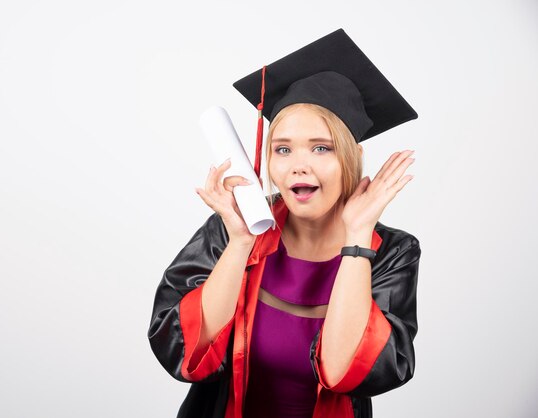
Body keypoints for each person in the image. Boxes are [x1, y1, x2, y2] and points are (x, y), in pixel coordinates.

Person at [148, 28, 421, 418]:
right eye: (283, 149)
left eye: (321, 147)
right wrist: (241, 243)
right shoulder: (230, 229)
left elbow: (350, 372)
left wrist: (358, 238)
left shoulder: (391, 251)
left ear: (351, 156)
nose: (298, 165)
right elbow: (184, 351)